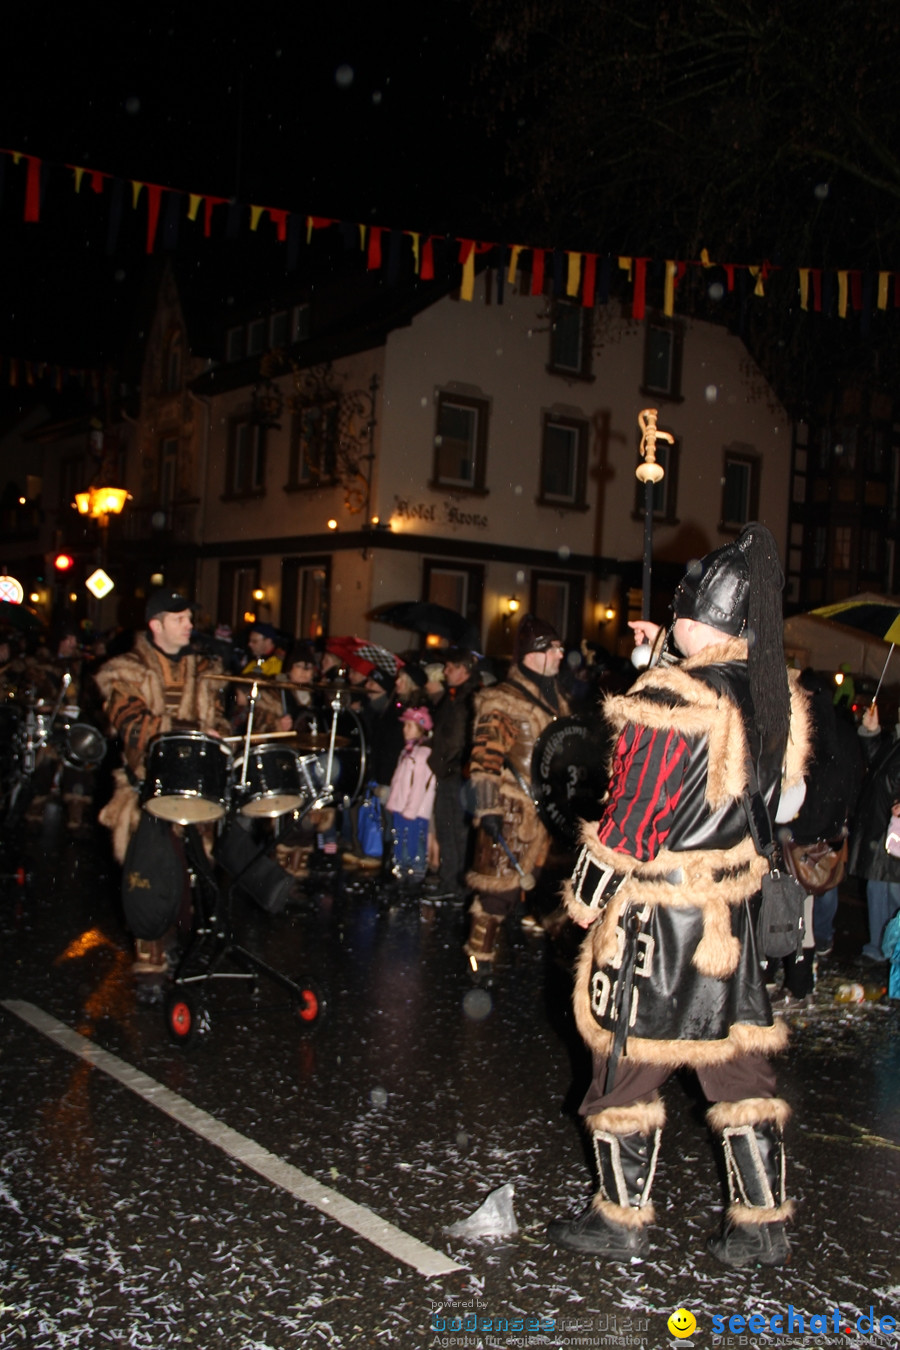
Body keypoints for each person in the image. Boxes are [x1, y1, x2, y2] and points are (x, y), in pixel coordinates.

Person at [549, 523, 810, 1269]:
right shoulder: (772, 694)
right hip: (733, 911)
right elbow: (782, 804)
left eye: (675, 613)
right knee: (734, 1063)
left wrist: (584, 898)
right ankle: (762, 1223)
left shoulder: (668, 695)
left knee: (624, 1057)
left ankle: (619, 1219)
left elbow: (631, 823)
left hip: (661, 920)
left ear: (697, 615)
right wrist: (662, 655)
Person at [95, 589, 229, 972]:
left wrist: (216, 731)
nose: (190, 625)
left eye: (190, 617)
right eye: (180, 619)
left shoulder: (204, 670)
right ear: (156, 625)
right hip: (147, 793)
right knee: (151, 881)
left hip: (195, 790)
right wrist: (193, 729)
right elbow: (132, 724)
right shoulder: (125, 670)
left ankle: (185, 950)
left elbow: (217, 719)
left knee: (192, 878)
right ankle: (150, 964)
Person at [464, 614, 568, 975]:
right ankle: (480, 964)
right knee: (496, 896)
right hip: (510, 814)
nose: (560, 655)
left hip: (546, 817)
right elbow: (485, 759)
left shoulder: (555, 700)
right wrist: (487, 808)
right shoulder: (504, 701)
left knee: (540, 888)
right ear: (533, 654)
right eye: (553, 649)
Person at [424, 648, 480, 903]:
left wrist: (451, 764)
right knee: (446, 828)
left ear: (464, 670)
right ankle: (450, 881)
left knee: (458, 831)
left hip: (458, 774)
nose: (445, 672)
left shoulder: (471, 697)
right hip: (447, 772)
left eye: (450, 667)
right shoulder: (452, 696)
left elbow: (461, 738)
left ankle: (460, 885)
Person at [847, 700, 900, 964]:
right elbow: (881, 763)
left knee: (887, 891)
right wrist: (873, 732)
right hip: (883, 834)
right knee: (879, 890)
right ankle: (882, 948)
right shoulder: (896, 739)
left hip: (892, 837)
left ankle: (885, 949)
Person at [386, 705, 436, 886]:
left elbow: (419, 787)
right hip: (401, 806)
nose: (404, 729)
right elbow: (398, 781)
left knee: (414, 842)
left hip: (414, 811)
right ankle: (401, 872)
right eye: (405, 725)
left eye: (409, 726)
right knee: (400, 839)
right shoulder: (407, 752)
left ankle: (416, 874)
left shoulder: (423, 754)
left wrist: (411, 809)